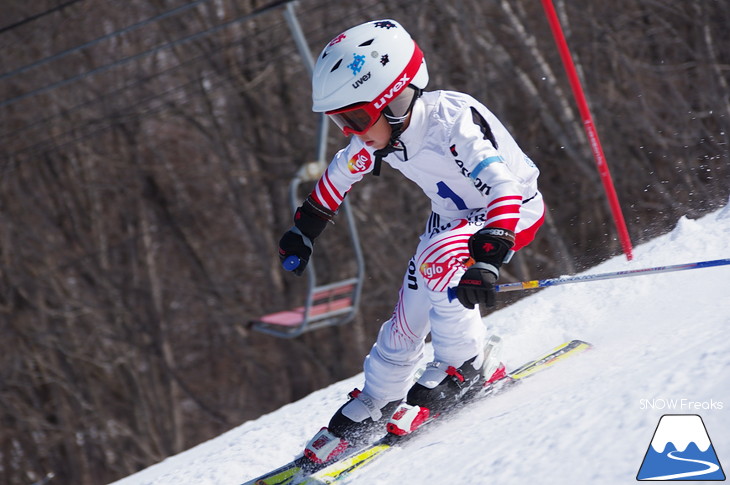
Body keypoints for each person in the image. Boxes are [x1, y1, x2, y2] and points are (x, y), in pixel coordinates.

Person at [278, 19, 545, 464]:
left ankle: (469, 365)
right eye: (340, 120)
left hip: (512, 212)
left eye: (355, 117)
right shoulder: (380, 135)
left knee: (438, 258)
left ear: (397, 100)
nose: (350, 131)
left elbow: (504, 189)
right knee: (411, 303)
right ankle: (380, 397)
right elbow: (337, 177)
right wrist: (304, 229)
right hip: (452, 223)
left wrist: (488, 256)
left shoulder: (452, 121)